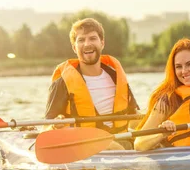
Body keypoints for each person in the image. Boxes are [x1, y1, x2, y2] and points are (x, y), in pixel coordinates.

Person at [44, 18, 139, 150]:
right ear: (74, 48)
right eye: (81, 40)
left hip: (121, 141)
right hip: (83, 145)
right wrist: (55, 125)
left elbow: (135, 115)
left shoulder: (116, 77)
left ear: (102, 43)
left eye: (92, 38)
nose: (87, 44)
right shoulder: (62, 83)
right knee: (113, 147)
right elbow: (46, 128)